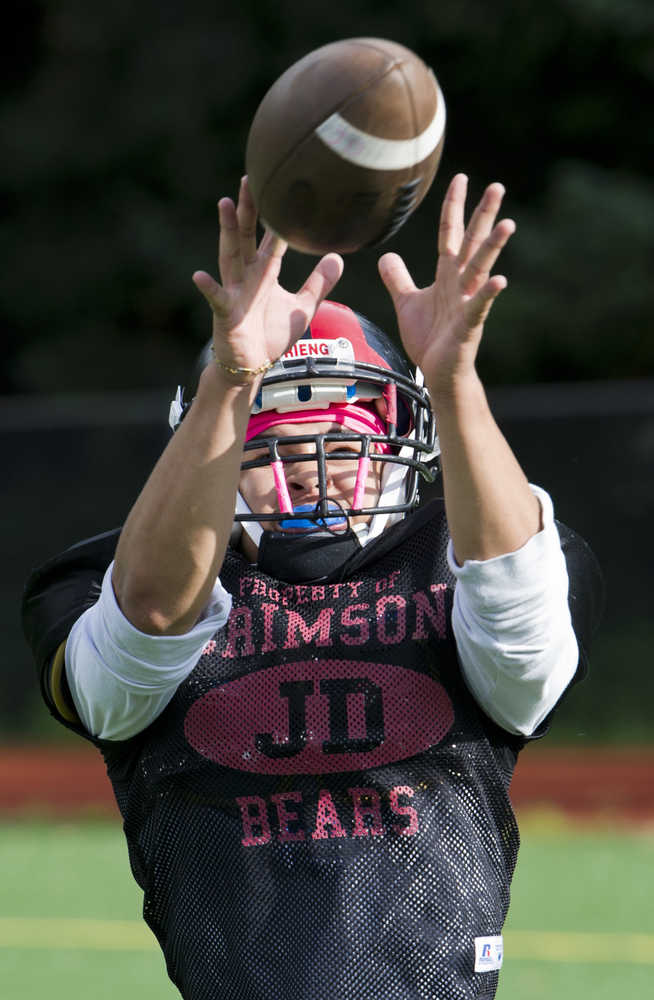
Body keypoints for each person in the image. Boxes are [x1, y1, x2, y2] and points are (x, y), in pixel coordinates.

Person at [23, 174, 603, 1000]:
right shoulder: (119, 579)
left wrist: (456, 381)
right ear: (215, 453)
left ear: (409, 432)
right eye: (273, 433)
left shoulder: (468, 552)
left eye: (346, 425)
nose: (309, 455)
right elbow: (140, 637)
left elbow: (523, 644)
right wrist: (232, 375)